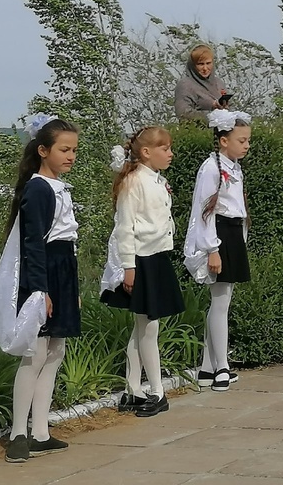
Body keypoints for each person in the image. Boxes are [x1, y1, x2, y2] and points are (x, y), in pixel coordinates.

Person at [2, 115, 81, 463]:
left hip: (62, 269)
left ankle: (41, 431)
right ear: (43, 150)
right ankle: (19, 433)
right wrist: (40, 290)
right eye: (64, 149)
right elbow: (33, 243)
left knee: (55, 353)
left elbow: (67, 239)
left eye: (74, 150)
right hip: (43, 270)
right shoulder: (38, 188)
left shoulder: (59, 187)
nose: (70, 156)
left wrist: (69, 287)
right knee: (34, 354)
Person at [100, 127, 185, 418]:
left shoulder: (156, 180)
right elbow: (125, 228)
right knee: (149, 329)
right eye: (165, 148)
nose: (170, 153)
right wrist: (128, 266)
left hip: (157, 256)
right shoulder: (134, 182)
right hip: (141, 260)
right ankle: (158, 392)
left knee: (142, 328)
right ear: (146, 152)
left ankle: (133, 389)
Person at [184, 109, 252, 392]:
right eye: (241, 140)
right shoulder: (211, 167)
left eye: (248, 141)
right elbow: (205, 210)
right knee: (220, 300)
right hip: (219, 234)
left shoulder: (234, 167)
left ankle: (207, 367)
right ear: (224, 140)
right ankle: (220, 365)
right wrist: (212, 248)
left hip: (233, 232)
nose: (246, 145)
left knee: (223, 300)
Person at [174, 44, 229, 123]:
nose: (205, 68)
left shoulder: (219, 83)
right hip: (198, 132)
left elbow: (231, 107)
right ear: (193, 66)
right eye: (200, 64)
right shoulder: (185, 85)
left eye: (208, 63)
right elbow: (182, 113)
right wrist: (211, 114)